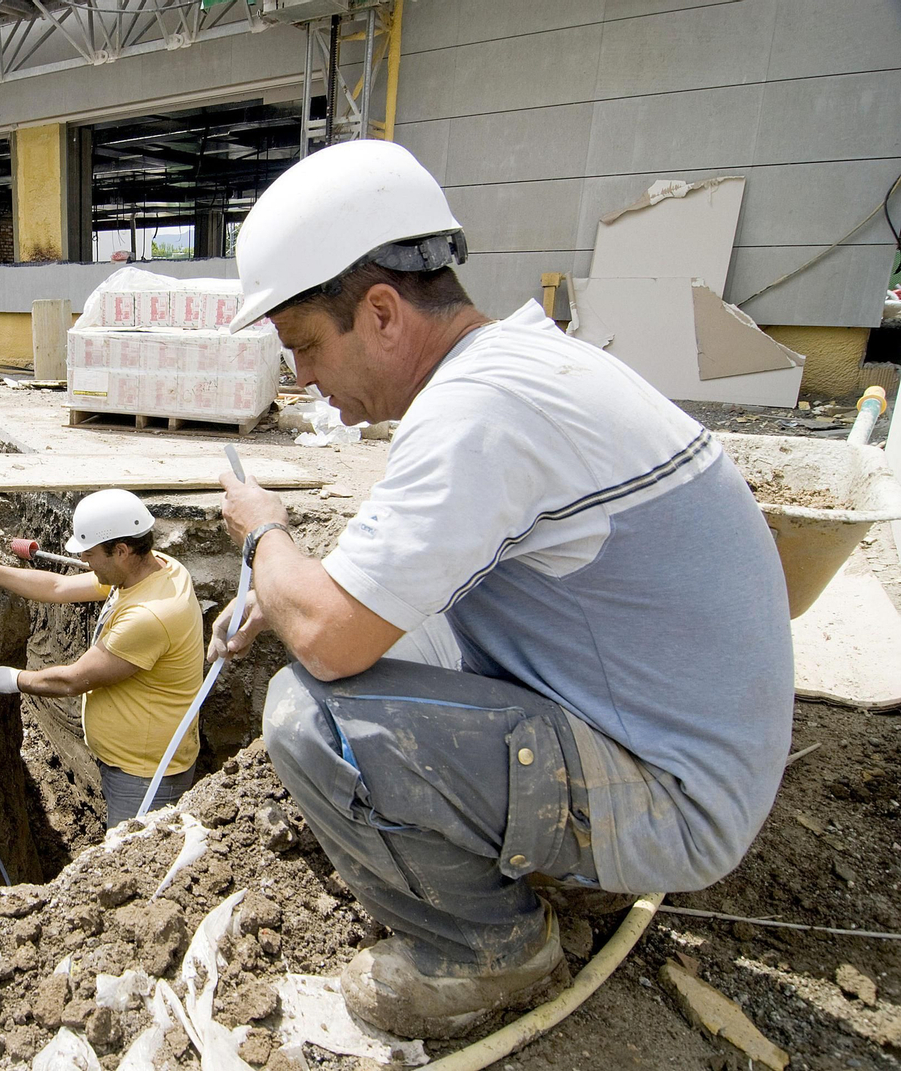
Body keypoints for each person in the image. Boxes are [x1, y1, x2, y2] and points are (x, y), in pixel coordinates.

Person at [207, 140, 793, 1040]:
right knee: (389, 635)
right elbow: (384, 579)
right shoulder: (514, 369)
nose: (304, 379)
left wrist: (265, 537)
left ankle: (485, 948)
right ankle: (520, 844)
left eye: (306, 346)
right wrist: (280, 588)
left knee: (311, 714)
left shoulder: (476, 414)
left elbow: (329, 636)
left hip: (678, 800)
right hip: (672, 730)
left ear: (381, 312)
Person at [0, 489, 205, 827]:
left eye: (90, 553)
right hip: (130, 764)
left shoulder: (150, 615)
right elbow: (57, 589)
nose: (84, 559)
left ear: (122, 551)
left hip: (146, 777)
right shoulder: (153, 570)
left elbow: (72, 680)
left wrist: (14, 680)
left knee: (132, 867)